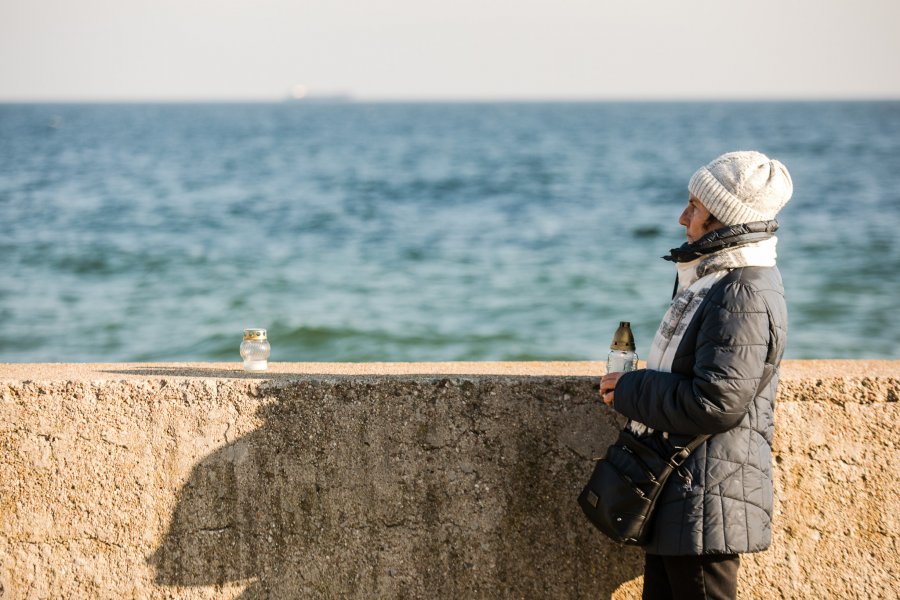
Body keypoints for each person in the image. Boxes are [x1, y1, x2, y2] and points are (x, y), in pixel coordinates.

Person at [599, 151, 792, 599]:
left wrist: (631, 388)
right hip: (687, 488)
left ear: (724, 218)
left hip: (707, 497)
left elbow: (715, 401)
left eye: (695, 207)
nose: (682, 216)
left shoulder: (740, 289)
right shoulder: (716, 278)